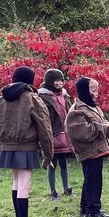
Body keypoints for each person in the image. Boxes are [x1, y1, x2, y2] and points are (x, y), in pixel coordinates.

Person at [0, 66, 53, 217]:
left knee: (16, 182)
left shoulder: (0, 101)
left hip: (6, 147)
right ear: (30, 80)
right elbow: (45, 129)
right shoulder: (32, 98)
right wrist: (48, 155)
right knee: (24, 184)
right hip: (25, 146)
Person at [65, 77, 109, 217]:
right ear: (85, 91)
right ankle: (93, 211)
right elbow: (83, 132)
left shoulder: (91, 106)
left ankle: (85, 208)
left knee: (90, 179)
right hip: (89, 151)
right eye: (93, 90)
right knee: (93, 181)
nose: (96, 94)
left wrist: (108, 126)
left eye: (97, 90)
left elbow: (98, 122)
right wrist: (104, 129)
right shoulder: (76, 110)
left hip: (97, 150)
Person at [38, 69, 73, 202]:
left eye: (61, 80)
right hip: (51, 134)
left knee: (64, 162)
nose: (59, 83)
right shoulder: (42, 96)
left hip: (65, 134)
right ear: (50, 82)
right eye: (56, 80)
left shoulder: (65, 95)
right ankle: (53, 192)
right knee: (52, 163)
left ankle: (66, 189)